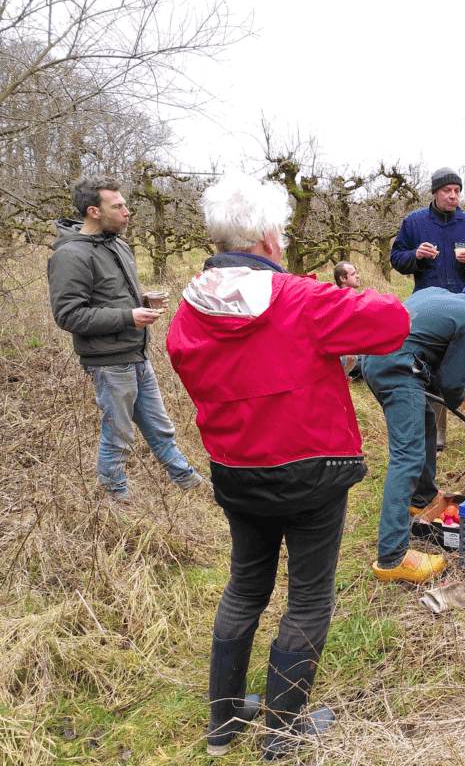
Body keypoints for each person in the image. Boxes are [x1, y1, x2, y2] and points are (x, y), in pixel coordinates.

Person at [165, 174, 409, 759]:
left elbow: (181, 359)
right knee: (307, 599)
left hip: (236, 469)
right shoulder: (301, 298)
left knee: (245, 587)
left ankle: (223, 726)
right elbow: (390, 322)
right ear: (270, 239)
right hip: (312, 470)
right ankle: (281, 732)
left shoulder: (191, 307)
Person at [47, 175, 203, 501]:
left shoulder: (117, 243)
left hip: (137, 355)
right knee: (118, 437)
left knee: (161, 429)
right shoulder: (70, 255)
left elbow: (111, 298)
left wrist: (142, 302)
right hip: (108, 362)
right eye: (117, 206)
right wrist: (128, 317)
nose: (127, 211)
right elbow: (69, 315)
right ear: (93, 211)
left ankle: (192, 487)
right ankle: (116, 506)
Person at [362, 274, 465, 584]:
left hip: (373, 360)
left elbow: (426, 339)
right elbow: (450, 386)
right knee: (407, 457)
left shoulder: (436, 293)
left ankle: (422, 497)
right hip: (399, 368)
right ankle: (392, 555)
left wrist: (463, 353)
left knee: (425, 418)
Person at [390, 166, 465, 450]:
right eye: (448, 191)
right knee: (431, 370)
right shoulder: (415, 221)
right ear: (435, 192)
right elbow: (397, 257)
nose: (453, 196)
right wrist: (415, 256)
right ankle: (439, 434)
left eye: (457, 191)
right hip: (429, 309)